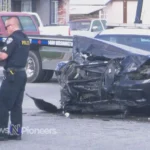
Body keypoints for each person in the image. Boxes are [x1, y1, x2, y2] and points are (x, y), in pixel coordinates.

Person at [0, 16, 30, 141]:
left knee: (2, 104)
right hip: (22, 74)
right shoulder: (25, 38)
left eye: (6, 27)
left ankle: (2, 133)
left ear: (11, 26)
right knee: (16, 105)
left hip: (12, 75)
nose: (6, 30)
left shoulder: (12, 39)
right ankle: (16, 132)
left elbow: (3, 56)